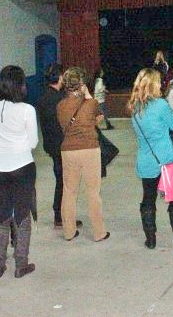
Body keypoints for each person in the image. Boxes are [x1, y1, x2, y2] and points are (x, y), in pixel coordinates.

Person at [0, 66, 38, 278]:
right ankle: (21, 264)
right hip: (22, 167)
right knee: (22, 216)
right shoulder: (27, 110)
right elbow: (33, 142)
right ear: (19, 85)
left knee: (2, 214)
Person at [128, 68, 173, 250]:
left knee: (148, 199)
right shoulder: (161, 105)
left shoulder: (135, 107)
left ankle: (150, 240)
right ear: (153, 85)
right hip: (166, 160)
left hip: (146, 161)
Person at [56, 67, 109, 243]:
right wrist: (87, 95)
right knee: (93, 192)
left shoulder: (60, 106)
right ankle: (99, 232)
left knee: (69, 192)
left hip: (68, 150)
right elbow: (99, 118)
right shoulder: (91, 103)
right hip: (89, 149)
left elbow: (63, 125)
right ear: (82, 84)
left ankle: (69, 231)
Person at [36, 63, 66, 227]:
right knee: (64, 181)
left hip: (51, 145)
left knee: (60, 179)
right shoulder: (61, 99)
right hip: (63, 145)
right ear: (60, 77)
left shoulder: (42, 98)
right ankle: (61, 214)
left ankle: (59, 213)